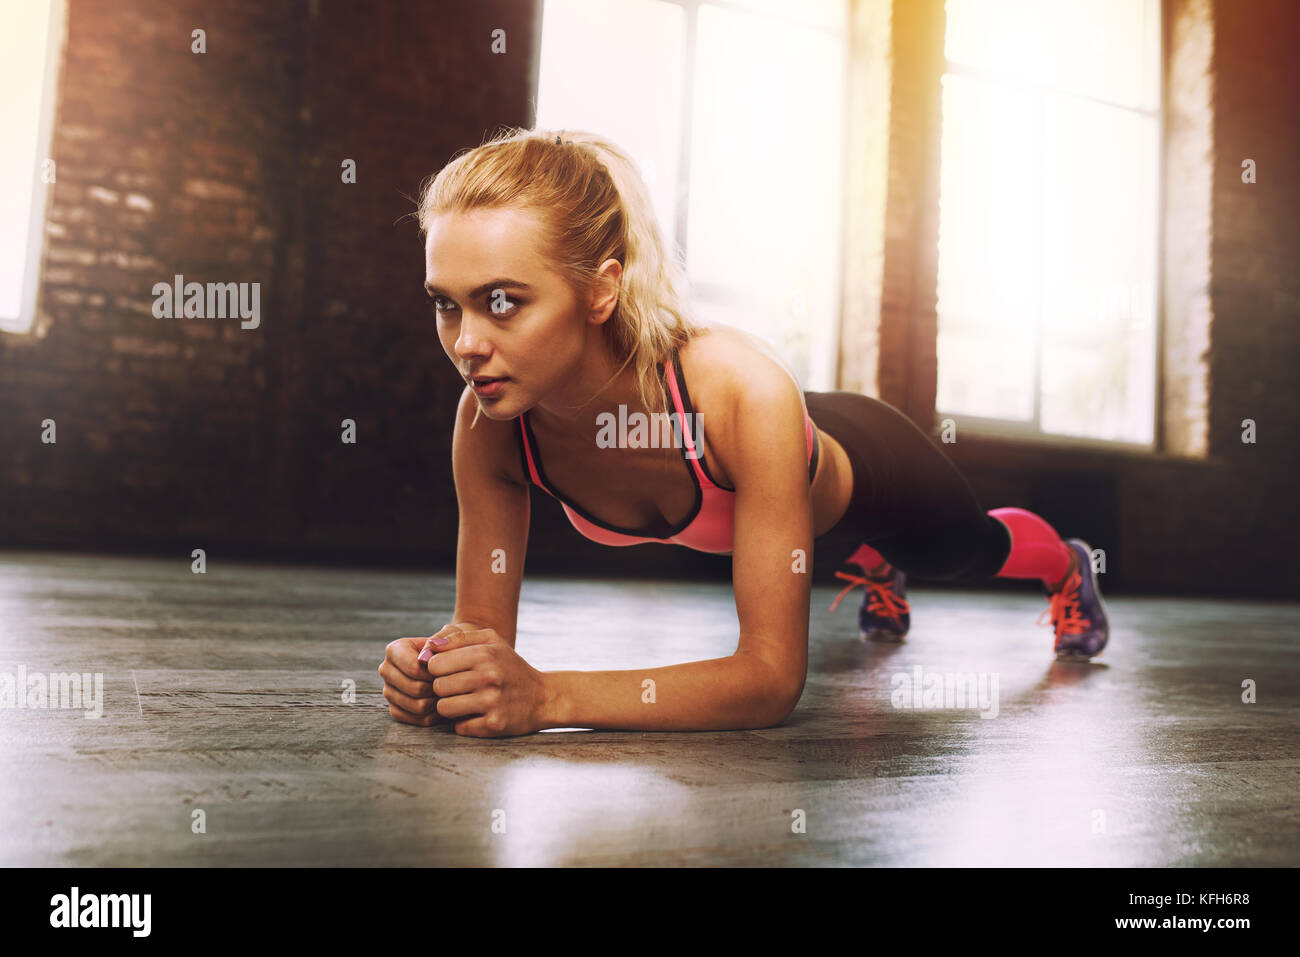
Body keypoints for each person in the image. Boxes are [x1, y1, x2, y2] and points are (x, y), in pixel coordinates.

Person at [378, 127, 1109, 737]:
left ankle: (1067, 566)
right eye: (447, 306)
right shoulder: (489, 421)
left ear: (601, 288)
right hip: (781, 488)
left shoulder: (740, 391)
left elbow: (769, 681)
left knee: (970, 551)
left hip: (866, 464)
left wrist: (550, 697)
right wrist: (437, 672)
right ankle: (871, 565)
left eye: (501, 302)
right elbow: (480, 641)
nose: (467, 343)